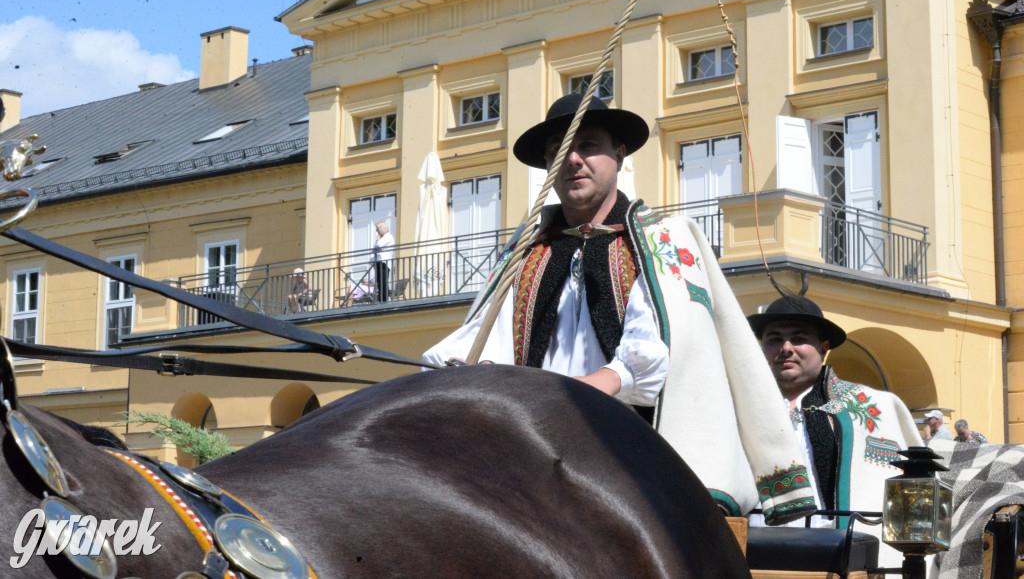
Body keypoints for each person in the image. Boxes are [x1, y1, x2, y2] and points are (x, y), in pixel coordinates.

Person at [423, 94, 816, 525]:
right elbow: (484, 336)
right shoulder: (526, 251)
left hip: (630, 455)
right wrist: (454, 370)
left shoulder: (661, 240)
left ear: (619, 154)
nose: (572, 160)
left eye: (587, 145)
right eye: (558, 152)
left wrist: (578, 390)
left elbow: (660, 351)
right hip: (535, 449)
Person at [748, 295, 923, 564]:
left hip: (837, 554)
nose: (785, 348)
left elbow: (909, 488)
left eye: (798, 338)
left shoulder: (874, 406)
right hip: (751, 550)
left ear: (824, 347)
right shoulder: (739, 405)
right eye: (774, 339)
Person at [372, 221, 395, 302]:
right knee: (379, 282)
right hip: (379, 262)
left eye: (377, 229)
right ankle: (381, 299)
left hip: (384, 263)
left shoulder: (388, 236)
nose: (377, 232)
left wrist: (378, 240)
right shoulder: (382, 238)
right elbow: (374, 249)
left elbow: (378, 245)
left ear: (381, 229)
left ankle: (384, 300)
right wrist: (378, 242)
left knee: (383, 282)